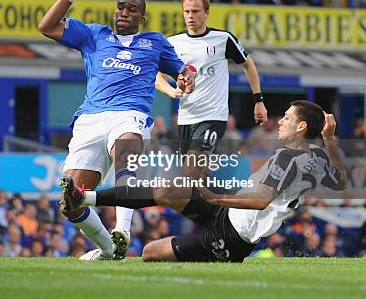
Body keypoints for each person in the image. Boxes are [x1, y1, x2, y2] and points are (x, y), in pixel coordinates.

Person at [61, 100, 346, 262]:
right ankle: (86, 197)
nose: (279, 122)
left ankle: (99, 226)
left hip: (234, 236)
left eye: (286, 117)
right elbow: (341, 182)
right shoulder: (316, 157)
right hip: (231, 209)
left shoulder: (288, 159)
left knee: (149, 253)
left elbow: (260, 202)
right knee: (166, 188)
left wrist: (213, 197)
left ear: (301, 126)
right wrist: (330, 140)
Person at [38, 0, 195, 260]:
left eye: (131, 9)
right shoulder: (93, 35)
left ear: (141, 18)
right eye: (120, 7)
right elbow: (46, 26)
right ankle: (110, 250)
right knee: (70, 201)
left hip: (129, 115)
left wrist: (187, 78)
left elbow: (183, 70)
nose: (123, 12)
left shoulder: (155, 41)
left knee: (126, 160)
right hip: (89, 120)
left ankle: (122, 230)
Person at [155, 0, 267, 179]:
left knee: (192, 169)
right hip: (186, 118)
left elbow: (248, 64)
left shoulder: (223, 39)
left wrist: (259, 100)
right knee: (194, 175)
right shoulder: (172, 42)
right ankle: (217, 207)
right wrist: (172, 92)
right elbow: (158, 78)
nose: (191, 16)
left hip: (213, 116)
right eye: (187, 11)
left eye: (196, 11)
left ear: (206, 12)